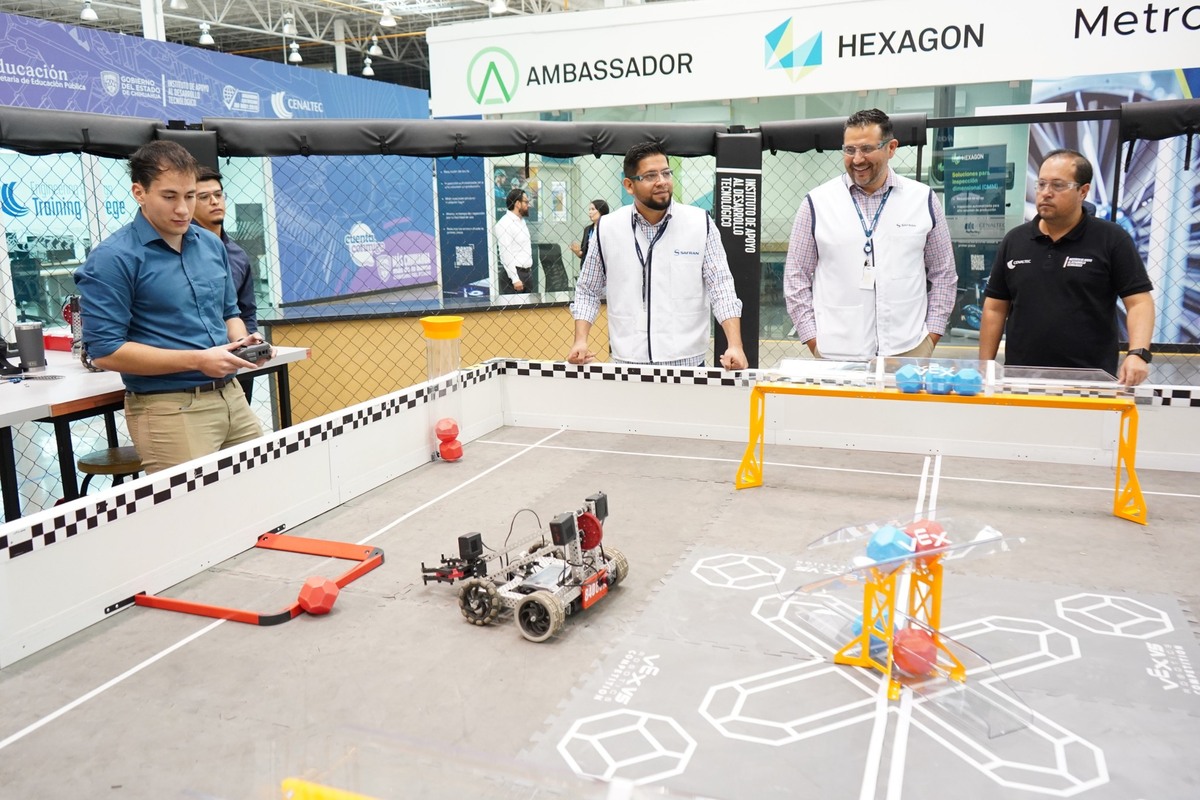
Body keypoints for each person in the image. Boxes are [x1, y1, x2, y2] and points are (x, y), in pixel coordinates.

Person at [74, 141, 270, 474]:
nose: (183, 209)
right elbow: (105, 351)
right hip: (169, 408)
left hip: (232, 397)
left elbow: (229, 314)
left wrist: (242, 344)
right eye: (169, 197)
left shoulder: (210, 245)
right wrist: (199, 360)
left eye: (190, 196)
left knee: (261, 490)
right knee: (193, 505)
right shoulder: (113, 258)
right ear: (139, 192)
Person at [783, 108, 957, 360]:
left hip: (908, 348)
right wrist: (814, 342)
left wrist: (930, 338)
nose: (857, 159)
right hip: (836, 352)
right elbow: (795, 278)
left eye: (866, 149)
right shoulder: (817, 204)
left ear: (891, 148)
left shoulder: (923, 200)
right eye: (849, 150)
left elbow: (943, 273)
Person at [979, 149, 1154, 385]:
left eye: (1058, 185)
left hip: (1091, 380)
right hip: (1021, 378)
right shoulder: (1015, 240)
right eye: (1041, 184)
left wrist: (1138, 354)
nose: (1046, 193)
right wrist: (985, 365)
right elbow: (995, 308)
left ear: (1083, 191)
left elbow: (1139, 302)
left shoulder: (1111, 239)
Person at [568, 141, 747, 369]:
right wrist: (580, 340)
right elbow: (588, 290)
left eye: (666, 173)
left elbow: (721, 287)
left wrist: (735, 345)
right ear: (629, 185)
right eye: (651, 176)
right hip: (629, 361)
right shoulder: (607, 228)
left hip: (687, 362)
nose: (662, 181)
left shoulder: (700, 223)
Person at [192, 166, 260, 403]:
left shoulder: (238, 255)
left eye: (218, 194)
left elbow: (246, 310)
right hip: (199, 364)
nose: (214, 201)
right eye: (204, 197)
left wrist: (248, 346)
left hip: (238, 355)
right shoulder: (181, 253)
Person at [495, 187, 534, 294]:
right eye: (526, 202)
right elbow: (505, 253)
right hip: (513, 277)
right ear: (517, 204)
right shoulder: (504, 224)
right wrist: (515, 279)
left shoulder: (521, 221)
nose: (528, 205)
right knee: (515, 306)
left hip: (527, 274)